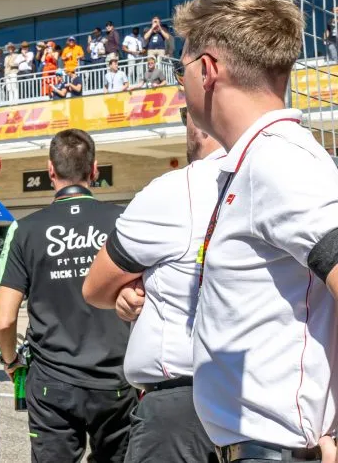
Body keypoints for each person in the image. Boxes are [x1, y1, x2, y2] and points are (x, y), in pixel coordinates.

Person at [174, 0, 338, 462]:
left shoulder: (279, 160)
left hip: (279, 450)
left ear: (206, 70)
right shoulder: (258, 159)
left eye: (179, 69)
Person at [81, 106, 223, 463]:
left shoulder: (178, 189)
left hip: (182, 407)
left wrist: (132, 285)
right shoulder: (301, 173)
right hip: (273, 405)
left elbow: (95, 288)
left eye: (185, 114)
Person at [0, 129, 133, 463]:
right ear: (94, 170)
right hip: (116, 380)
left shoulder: (24, 229)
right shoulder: (122, 221)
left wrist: (12, 361)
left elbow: (4, 317)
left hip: (51, 383)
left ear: (50, 171)